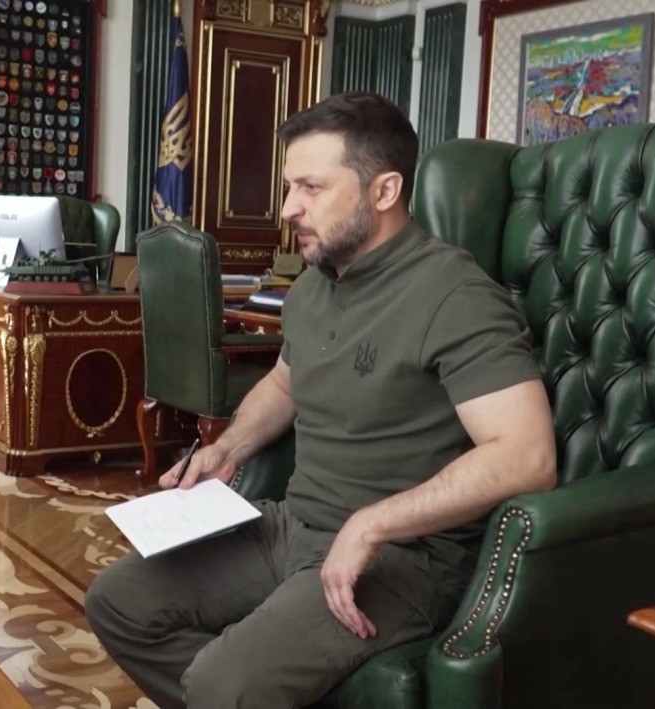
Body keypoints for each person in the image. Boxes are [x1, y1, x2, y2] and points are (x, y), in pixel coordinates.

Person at [85, 91, 556, 707]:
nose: (288, 208)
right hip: (293, 526)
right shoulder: (313, 285)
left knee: (221, 684)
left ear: (384, 191)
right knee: (118, 602)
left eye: (311, 188)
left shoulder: (456, 296)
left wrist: (372, 524)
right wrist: (227, 449)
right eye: (290, 186)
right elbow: (285, 383)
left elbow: (526, 457)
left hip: (400, 557)